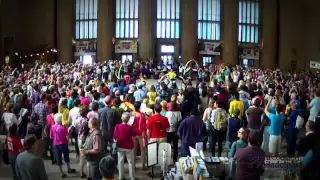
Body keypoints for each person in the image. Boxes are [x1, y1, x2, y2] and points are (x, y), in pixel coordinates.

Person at [50, 113, 76, 178]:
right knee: (66, 156)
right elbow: (67, 137)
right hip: (63, 144)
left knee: (58, 158)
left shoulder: (52, 127)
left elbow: (51, 137)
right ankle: (69, 169)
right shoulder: (64, 127)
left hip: (55, 144)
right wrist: (69, 134)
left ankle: (61, 173)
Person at [113, 112, 136, 180]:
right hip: (129, 146)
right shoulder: (130, 127)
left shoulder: (117, 126)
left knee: (120, 162)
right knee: (131, 162)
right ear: (128, 119)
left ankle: (121, 176)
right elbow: (134, 134)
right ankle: (132, 177)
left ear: (121, 118)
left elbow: (115, 137)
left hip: (120, 146)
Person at [131, 101, 147, 169]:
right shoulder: (142, 115)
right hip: (141, 134)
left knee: (134, 150)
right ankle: (143, 165)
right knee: (142, 150)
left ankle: (133, 166)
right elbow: (144, 126)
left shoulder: (131, 113)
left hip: (133, 134)